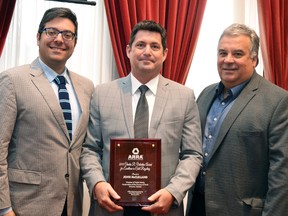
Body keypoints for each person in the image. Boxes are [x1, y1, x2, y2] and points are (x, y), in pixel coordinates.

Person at [80, 20, 202, 216]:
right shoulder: (102, 94)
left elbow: (192, 154)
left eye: (155, 46)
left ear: (165, 54)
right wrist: (97, 183)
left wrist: (173, 191)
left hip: (164, 208)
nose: (147, 51)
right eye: (140, 45)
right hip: (111, 207)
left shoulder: (184, 97)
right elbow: (90, 149)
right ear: (128, 50)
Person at [186, 23, 288, 216]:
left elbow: (282, 176)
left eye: (238, 54)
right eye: (222, 53)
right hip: (198, 207)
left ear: (254, 59)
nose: (228, 60)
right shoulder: (205, 95)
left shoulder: (278, 102)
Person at [0, 7, 94, 216]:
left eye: (67, 34)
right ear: (38, 37)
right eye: (52, 32)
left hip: (70, 205)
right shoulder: (13, 80)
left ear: (75, 42)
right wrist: (4, 208)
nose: (59, 39)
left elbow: (85, 148)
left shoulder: (86, 87)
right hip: (23, 205)